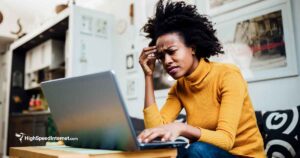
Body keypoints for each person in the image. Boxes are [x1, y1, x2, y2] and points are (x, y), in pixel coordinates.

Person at [137, 0, 265, 158]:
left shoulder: (228, 75)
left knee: (197, 149)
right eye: (162, 57)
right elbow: (156, 132)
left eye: (172, 51)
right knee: (170, 153)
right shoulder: (180, 88)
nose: (167, 61)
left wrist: (182, 128)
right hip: (206, 153)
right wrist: (148, 76)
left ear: (193, 48)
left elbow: (226, 141)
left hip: (244, 155)